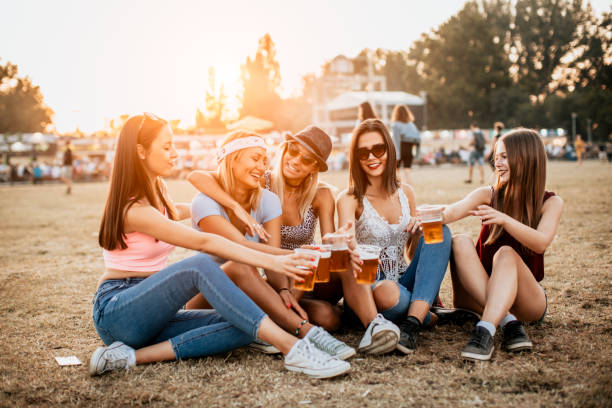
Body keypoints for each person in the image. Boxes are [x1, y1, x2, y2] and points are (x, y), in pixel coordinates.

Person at [89, 113, 350, 378]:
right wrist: (277, 258)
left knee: (245, 322)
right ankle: (294, 349)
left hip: (155, 313)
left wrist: (231, 205)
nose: (175, 154)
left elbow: (194, 205)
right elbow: (204, 240)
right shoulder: (133, 209)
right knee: (200, 265)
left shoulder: (159, 193)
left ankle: (127, 357)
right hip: (118, 310)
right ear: (141, 151)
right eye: (167, 147)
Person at [188, 126, 400, 356]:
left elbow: (314, 245)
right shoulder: (258, 183)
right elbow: (199, 177)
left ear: (315, 168)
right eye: (292, 150)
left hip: (293, 271)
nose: (295, 161)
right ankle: (305, 328)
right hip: (262, 273)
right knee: (323, 315)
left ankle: (374, 324)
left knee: (338, 274)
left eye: (307, 159)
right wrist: (236, 207)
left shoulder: (285, 196)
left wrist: (338, 242)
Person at [443, 128, 563, 361]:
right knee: (459, 242)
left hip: (527, 304)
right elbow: (451, 211)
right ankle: (508, 321)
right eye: (496, 156)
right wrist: (413, 214)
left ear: (527, 158)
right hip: (477, 298)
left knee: (505, 253)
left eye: (505, 156)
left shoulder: (550, 202)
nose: (498, 162)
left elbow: (540, 243)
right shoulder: (487, 194)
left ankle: (485, 330)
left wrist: (504, 220)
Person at [337, 119, 452, 354]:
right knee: (386, 290)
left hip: (402, 281)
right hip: (369, 291)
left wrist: (418, 231)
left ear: (389, 149)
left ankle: (412, 323)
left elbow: (410, 251)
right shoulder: (349, 199)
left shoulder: (406, 192)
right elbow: (346, 246)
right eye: (363, 152)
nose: (371, 157)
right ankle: (423, 313)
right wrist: (347, 242)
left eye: (378, 149)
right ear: (355, 158)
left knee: (440, 230)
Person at [391, 105, 421, 182]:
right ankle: (410, 189)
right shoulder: (411, 125)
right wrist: (418, 153)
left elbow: (396, 140)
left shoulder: (396, 125)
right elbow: (418, 138)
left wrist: (397, 154)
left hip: (400, 148)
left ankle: (398, 189)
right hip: (409, 150)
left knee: (396, 172)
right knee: (407, 171)